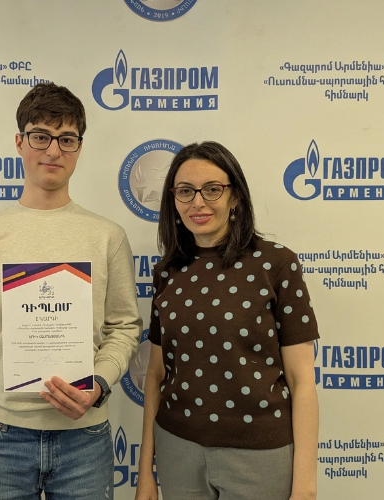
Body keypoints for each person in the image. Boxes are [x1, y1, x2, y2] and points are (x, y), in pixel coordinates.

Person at [0, 82, 142, 500]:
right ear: (19, 142)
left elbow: (124, 327)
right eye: (41, 136)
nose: (53, 150)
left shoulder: (107, 237)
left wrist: (99, 383)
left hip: (85, 441)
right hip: (1, 439)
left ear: (79, 148)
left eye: (67, 139)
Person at [135, 142, 320, 500]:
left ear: (235, 196)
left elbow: (302, 381)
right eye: (185, 191)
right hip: (177, 450)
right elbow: (155, 375)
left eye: (212, 189)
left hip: (260, 455)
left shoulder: (276, 264)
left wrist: (305, 487)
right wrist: (146, 473)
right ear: (173, 200)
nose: (198, 202)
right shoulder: (167, 271)